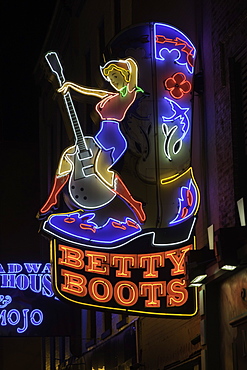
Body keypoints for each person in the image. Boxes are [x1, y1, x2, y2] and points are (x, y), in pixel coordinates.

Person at [39, 57, 146, 223]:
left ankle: (134, 203)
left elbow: (133, 67)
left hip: (113, 139)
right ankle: (53, 198)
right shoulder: (111, 95)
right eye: (110, 79)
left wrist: (123, 62)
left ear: (124, 76)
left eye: (115, 77)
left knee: (102, 170)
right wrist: (70, 86)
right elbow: (93, 92)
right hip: (100, 137)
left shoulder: (129, 93)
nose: (113, 82)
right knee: (68, 155)